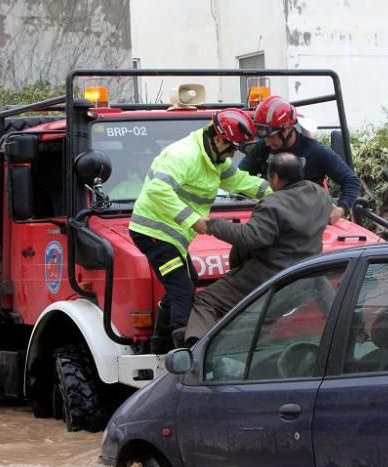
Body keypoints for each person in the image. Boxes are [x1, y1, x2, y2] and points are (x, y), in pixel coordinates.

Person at [130, 109, 271, 353]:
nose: (234, 153)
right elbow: (157, 190)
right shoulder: (184, 155)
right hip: (153, 233)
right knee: (182, 289)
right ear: (219, 139)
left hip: (172, 235)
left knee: (188, 283)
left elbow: (241, 182)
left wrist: (283, 191)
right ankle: (183, 354)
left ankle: (158, 345)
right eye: (233, 147)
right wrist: (193, 219)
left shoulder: (216, 161)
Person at [184, 152, 334, 344]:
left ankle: (194, 353)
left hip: (267, 279)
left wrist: (212, 225)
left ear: (275, 178)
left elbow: (251, 237)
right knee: (260, 322)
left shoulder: (273, 204)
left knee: (205, 301)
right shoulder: (319, 194)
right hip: (303, 278)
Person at [239, 95, 361, 225]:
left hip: (308, 222)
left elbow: (351, 181)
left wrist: (341, 209)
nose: (267, 143)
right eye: (265, 137)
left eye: (271, 137)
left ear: (287, 129)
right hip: (269, 218)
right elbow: (240, 177)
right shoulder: (263, 147)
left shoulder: (316, 151)